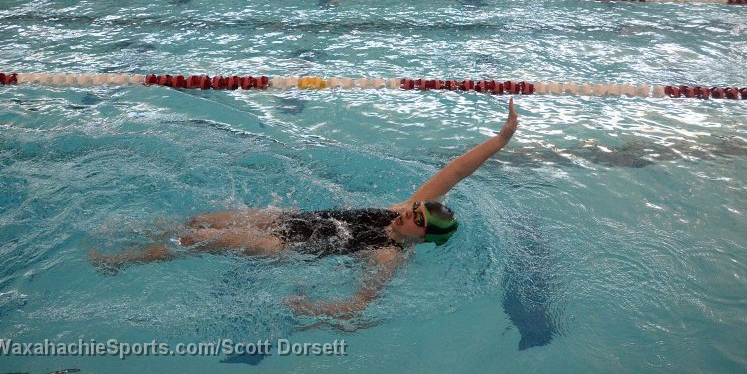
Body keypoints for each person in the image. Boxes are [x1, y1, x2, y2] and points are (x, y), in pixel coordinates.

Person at [92, 101, 519, 317]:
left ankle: (123, 260)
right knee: (201, 220)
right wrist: (500, 140)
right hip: (289, 219)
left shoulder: (388, 256)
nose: (410, 212)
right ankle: (136, 231)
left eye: (418, 217)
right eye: (416, 208)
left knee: (197, 239)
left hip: (283, 246)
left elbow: (359, 305)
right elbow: (453, 173)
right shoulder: (397, 210)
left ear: (423, 235)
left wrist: (314, 309)